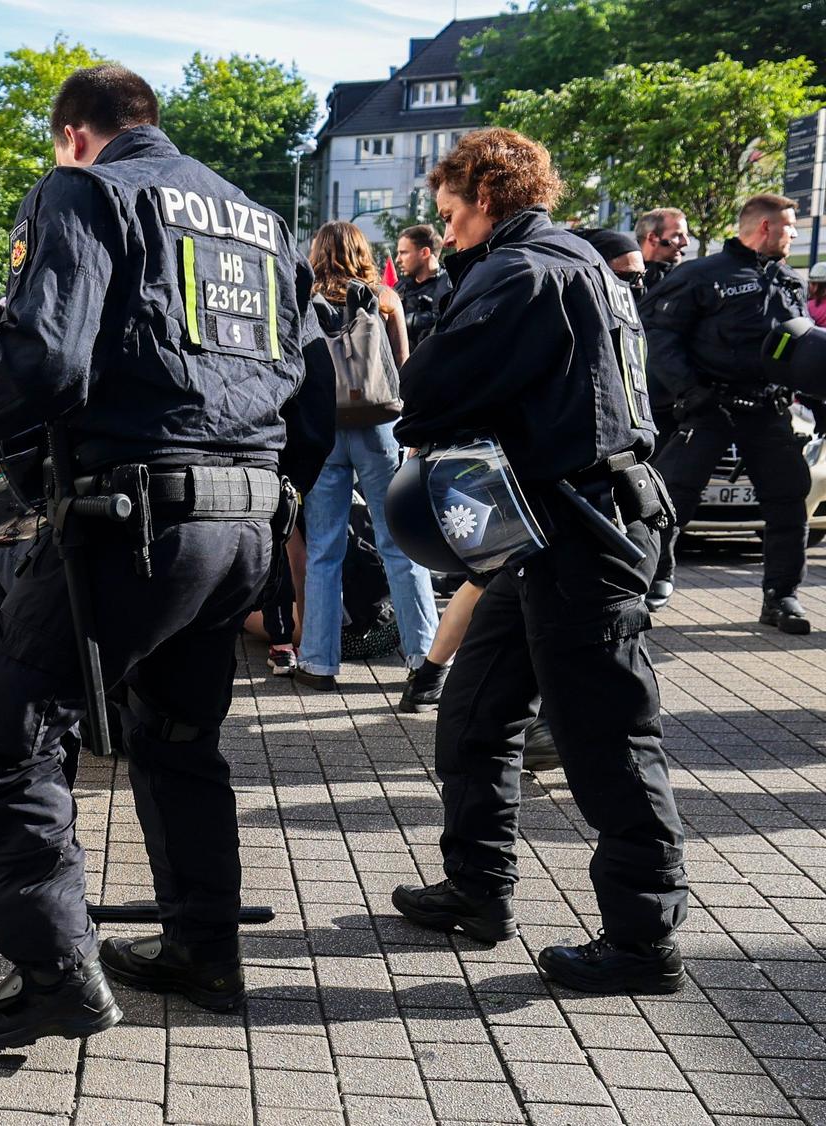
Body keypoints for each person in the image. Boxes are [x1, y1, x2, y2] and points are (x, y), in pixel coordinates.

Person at [0, 65, 304, 1047]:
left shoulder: (84, 189)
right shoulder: (253, 216)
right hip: (244, 517)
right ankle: (202, 949)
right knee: (174, 735)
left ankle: (53, 975)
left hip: (142, 522)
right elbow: (304, 381)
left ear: (71, 134)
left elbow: (45, 356)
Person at [388, 126, 689, 995]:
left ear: (485, 197)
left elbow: (430, 388)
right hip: (545, 529)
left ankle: (643, 942)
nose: (442, 235)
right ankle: (476, 890)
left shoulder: (521, 271)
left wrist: (445, 298)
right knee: (477, 714)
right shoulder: (577, 259)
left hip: (581, 530)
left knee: (609, 740)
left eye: (448, 216)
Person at [644, 193, 810, 628]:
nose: (794, 233)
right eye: (789, 226)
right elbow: (658, 334)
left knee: (789, 501)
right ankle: (649, 579)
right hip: (709, 407)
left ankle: (781, 595)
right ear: (766, 228)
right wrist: (689, 390)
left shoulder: (790, 279)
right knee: (669, 499)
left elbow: (801, 345)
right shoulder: (702, 275)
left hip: (767, 409)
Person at [294, 221, 440, 706]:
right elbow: (404, 364)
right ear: (362, 252)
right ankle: (423, 657)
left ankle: (317, 661)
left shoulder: (304, 302)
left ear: (317, 252)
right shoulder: (384, 298)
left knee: (324, 548)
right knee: (400, 542)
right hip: (380, 428)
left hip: (323, 430)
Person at [392, 223, 450, 349]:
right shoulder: (400, 287)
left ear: (424, 252)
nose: (398, 259)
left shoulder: (451, 287)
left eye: (403, 253)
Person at [634, 207, 689, 298]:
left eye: (686, 235)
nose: (686, 242)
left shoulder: (685, 279)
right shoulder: (624, 278)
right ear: (652, 238)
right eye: (677, 235)